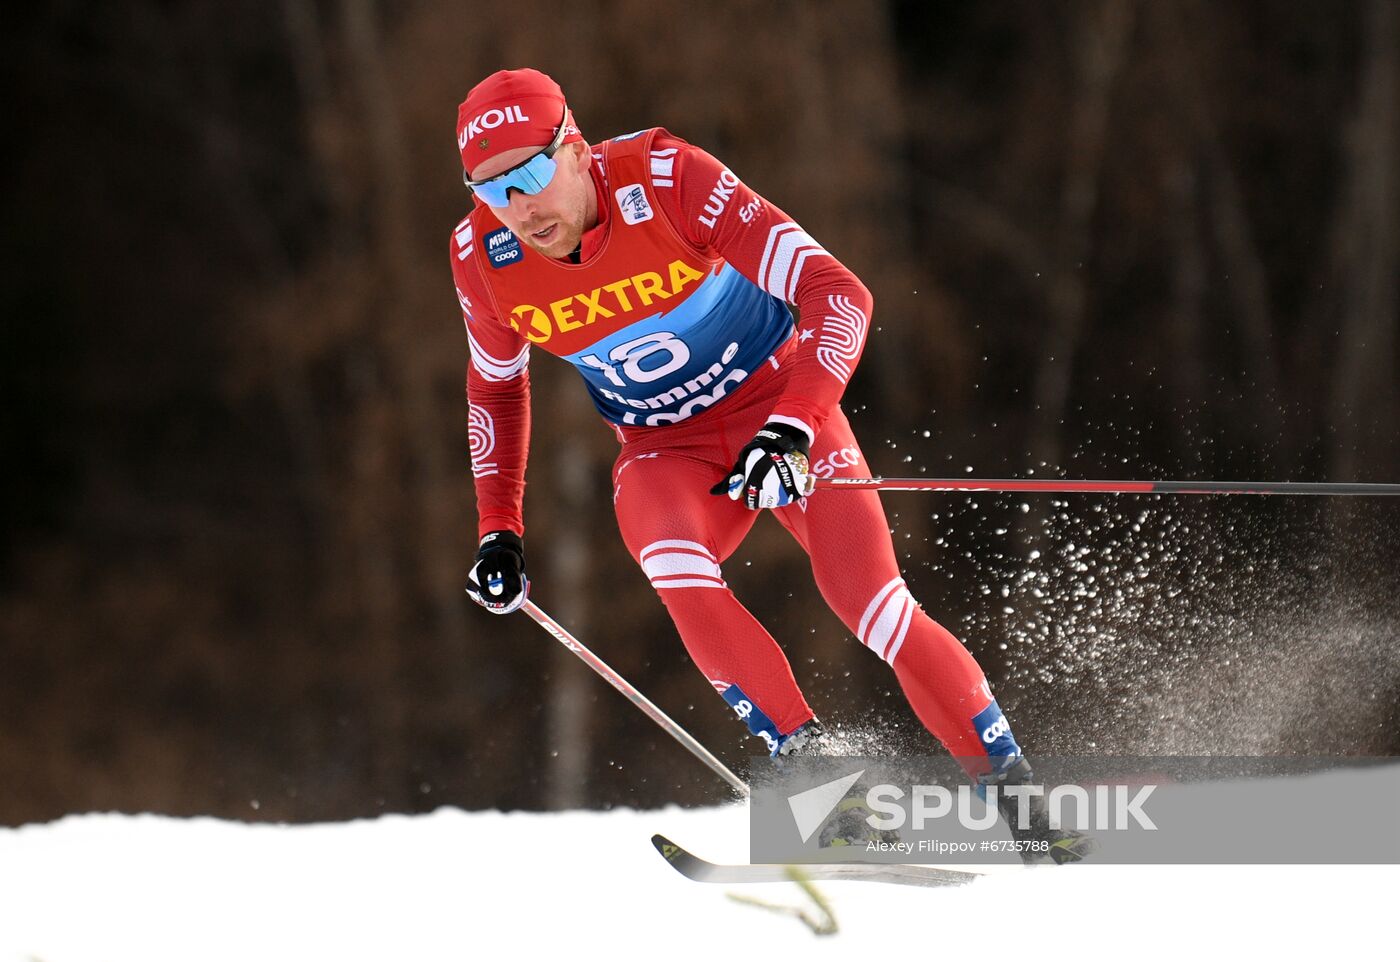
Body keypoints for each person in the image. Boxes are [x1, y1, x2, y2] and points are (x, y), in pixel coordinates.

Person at [452, 68, 1089, 862]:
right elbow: (496, 391)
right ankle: (830, 794)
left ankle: (1024, 805)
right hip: (664, 449)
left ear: (576, 152)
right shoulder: (483, 256)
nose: (518, 208)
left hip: (780, 404)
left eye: (533, 175)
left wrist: (792, 426)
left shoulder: (669, 178)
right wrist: (499, 531)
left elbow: (839, 293)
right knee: (670, 556)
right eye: (490, 190)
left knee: (874, 607)